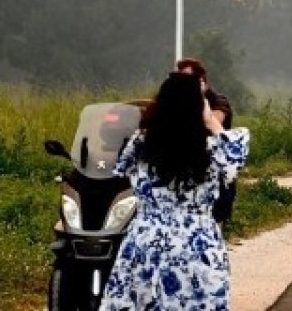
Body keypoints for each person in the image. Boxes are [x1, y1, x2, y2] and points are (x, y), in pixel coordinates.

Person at [99, 73, 250, 310]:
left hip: (147, 241)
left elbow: (121, 169)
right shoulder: (211, 150)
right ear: (200, 106)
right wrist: (210, 119)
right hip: (197, 245)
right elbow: (235, 156)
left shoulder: (142, 144)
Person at [176, 57, 237, 222]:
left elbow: (214, 123)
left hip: (216, 168)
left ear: (201, 81)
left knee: (214, 221)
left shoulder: (217, 101)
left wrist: (200, 99)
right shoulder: (177, 102)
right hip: (189, 169)